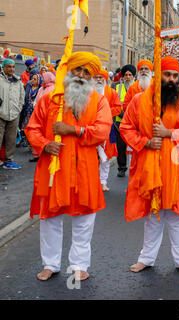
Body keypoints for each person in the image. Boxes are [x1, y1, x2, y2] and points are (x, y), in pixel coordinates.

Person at [24, 51, 112, 281]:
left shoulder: (99, 100)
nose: (81, 75)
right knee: (50, 218)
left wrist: (74, 130)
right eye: (78, 70)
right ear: (70, 70)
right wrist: (44, 145)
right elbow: (32, 128)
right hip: (54, 168)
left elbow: (103, 130)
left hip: (85, 169)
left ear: (92, 76)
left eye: (86, 72)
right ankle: (50, 264)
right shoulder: (50, 98)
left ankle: (79, 265)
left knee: (83, 220)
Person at [120, 56, 179, 276]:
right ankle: (146, 258)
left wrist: (169, 133)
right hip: (150, 164)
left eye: (175, 76)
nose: (172, 80)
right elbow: (126, 128)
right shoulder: (139, 100)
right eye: (167, 75)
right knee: (152, 215)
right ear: (159, 75)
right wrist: (145, 141)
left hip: (178, 166)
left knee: (177, 216)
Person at [93, 68, 121, 191]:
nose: (99, 80)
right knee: (92, 156)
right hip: (91, 129)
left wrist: (105, 113)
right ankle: (93, 182)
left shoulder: (112, 93)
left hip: (107, 129)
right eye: (97, 78)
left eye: (101, 78)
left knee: (106, 158)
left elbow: (118, 108)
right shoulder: (88, 92)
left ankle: (103, 182)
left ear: (105, 79)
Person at [0, 58, 25, 169]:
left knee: (11, 139)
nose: (11, 69)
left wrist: (18, 109)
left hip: (14, 115)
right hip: (1, 114)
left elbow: (21, 98)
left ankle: (8, 161)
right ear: (3, 67)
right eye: (9, 67)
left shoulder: (18, 82)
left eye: (13, 67)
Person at [114, 64, 136, 177]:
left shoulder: (137, 87)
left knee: (134, 146)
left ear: (133, 76)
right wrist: (123, 114)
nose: (128, 77)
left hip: (134, 122)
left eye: (130, 75)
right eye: (126, 75)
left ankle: (135, 167)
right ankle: (121, 168)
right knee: (121, 147)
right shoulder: (116, 87)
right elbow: (115, 103)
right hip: (120, 122)